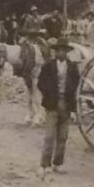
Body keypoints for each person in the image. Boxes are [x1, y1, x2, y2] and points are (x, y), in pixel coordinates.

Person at [36, 37, 79, 179]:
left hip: (66, 104)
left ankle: (57, 163)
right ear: (55, 52)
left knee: (63, 136)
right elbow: (41, 83)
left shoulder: (72, 67)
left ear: (66, 52)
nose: (61, 53)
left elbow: (75, 82)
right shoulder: (48, 66)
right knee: (49, 136)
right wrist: (51, 93)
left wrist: (68, 92)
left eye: (63, 51)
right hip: (52, 104)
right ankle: (44, 164)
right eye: (58, 50)